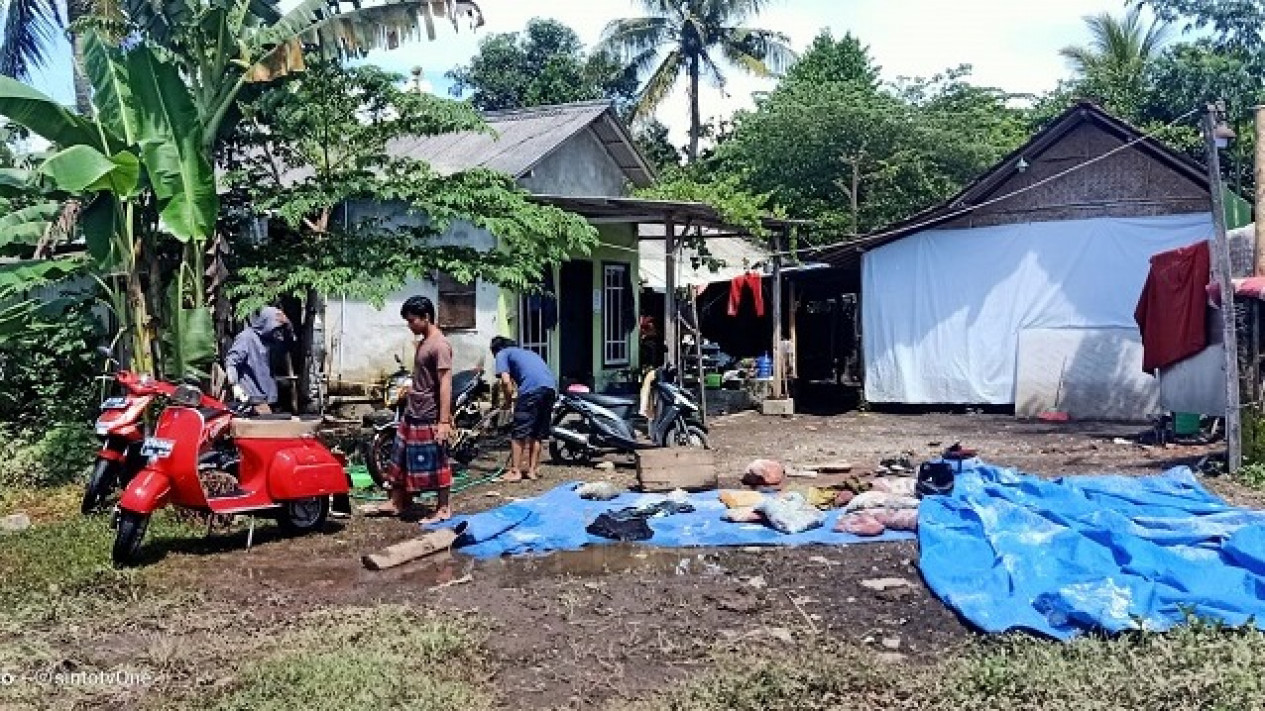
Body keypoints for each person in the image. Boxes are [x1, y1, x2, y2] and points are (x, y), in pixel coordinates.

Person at [374, 295, 454, 523]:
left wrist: (444, 422)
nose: (410, 326)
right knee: (400, 458)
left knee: (436, 461)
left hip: (429, 413)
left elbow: (445, 384)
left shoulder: (440, 345)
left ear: (426, 317)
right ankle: (398, 502)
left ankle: (443, 508)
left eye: (412, 321)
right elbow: (424, 377)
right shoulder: (424, 343)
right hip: (414, 411)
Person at [490, 336, 557, 482]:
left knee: (519, 431)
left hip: (531, 391)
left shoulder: (502, 353)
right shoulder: (528, 353)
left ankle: (515, 472)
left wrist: (508, 402)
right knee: (537, 432)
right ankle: (532, 470)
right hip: (550, 389)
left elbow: (506, 381)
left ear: (495, 350)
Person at [224, 306, 290, 414]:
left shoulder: (272, 340)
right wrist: (234, 385)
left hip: (269, 397)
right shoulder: (247, 338)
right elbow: (231, 362)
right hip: (253, 398)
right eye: (276, 328)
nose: (278, 331)